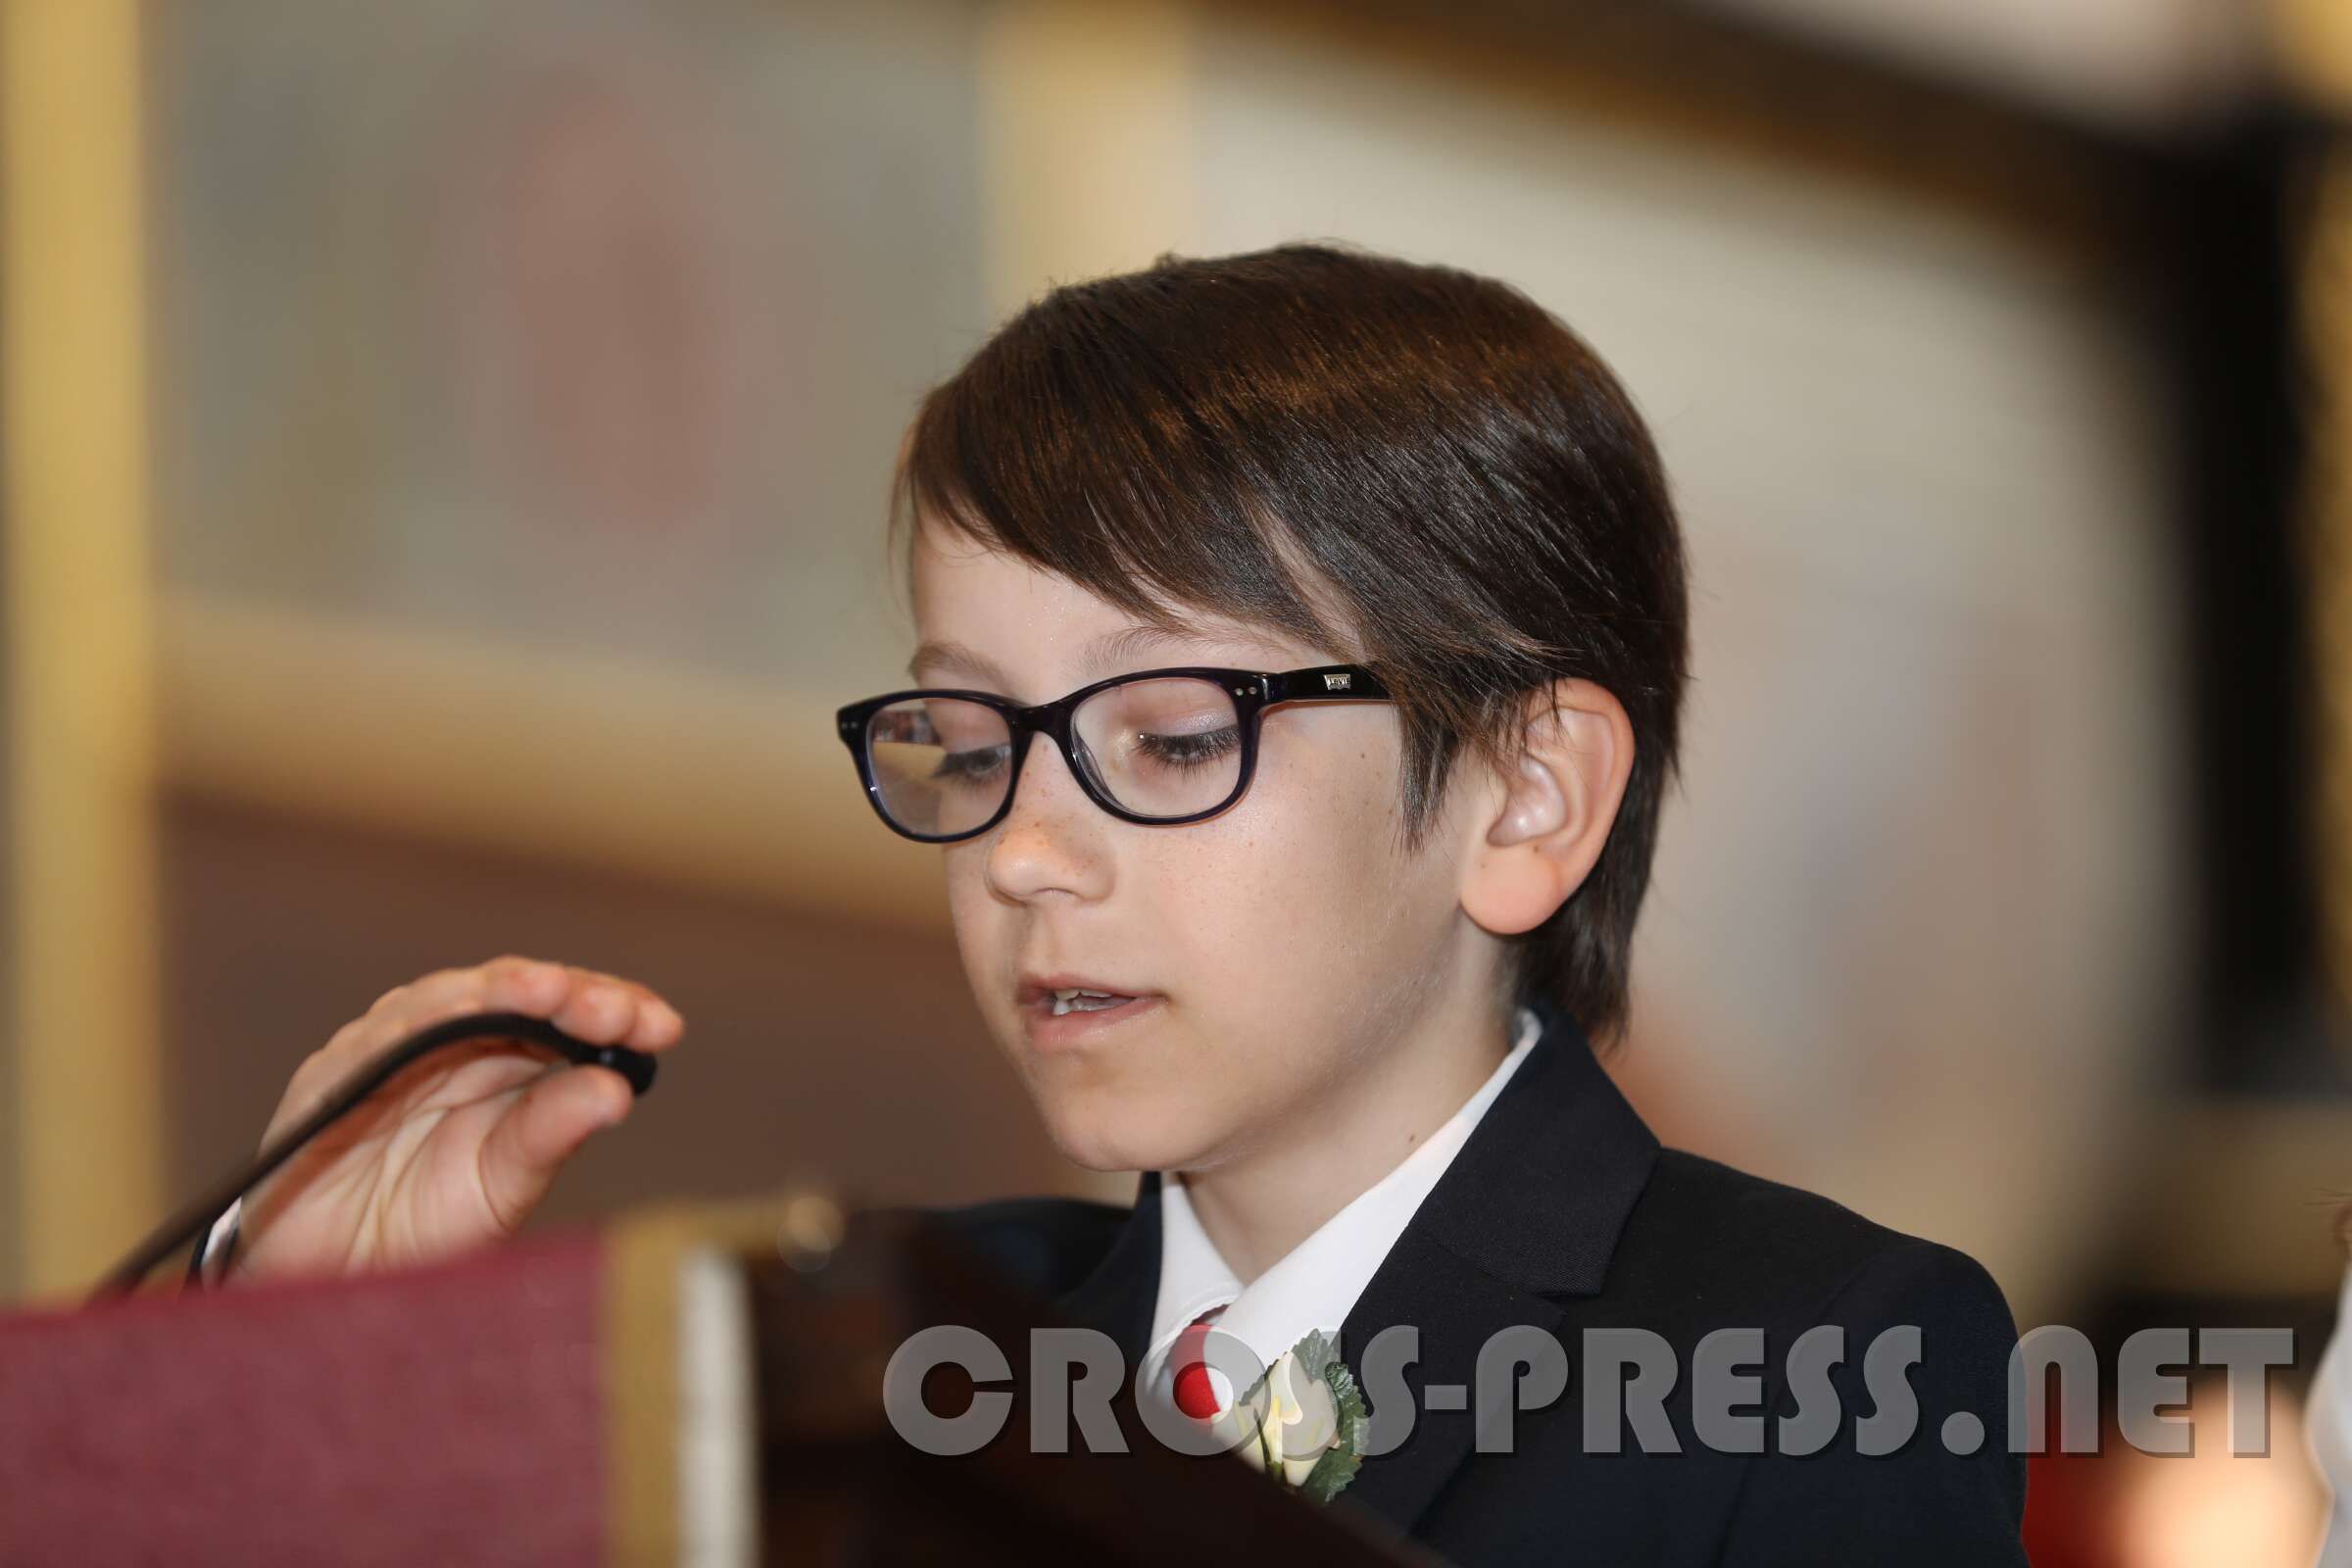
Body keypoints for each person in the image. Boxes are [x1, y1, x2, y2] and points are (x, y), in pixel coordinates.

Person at [212, 244, 2028, 1563]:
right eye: (967, 740)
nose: (1023, 853)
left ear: (1523, 795)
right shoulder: (903, 1353)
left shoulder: (1805, 1358)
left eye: (1168, 739)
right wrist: (311, 1373)